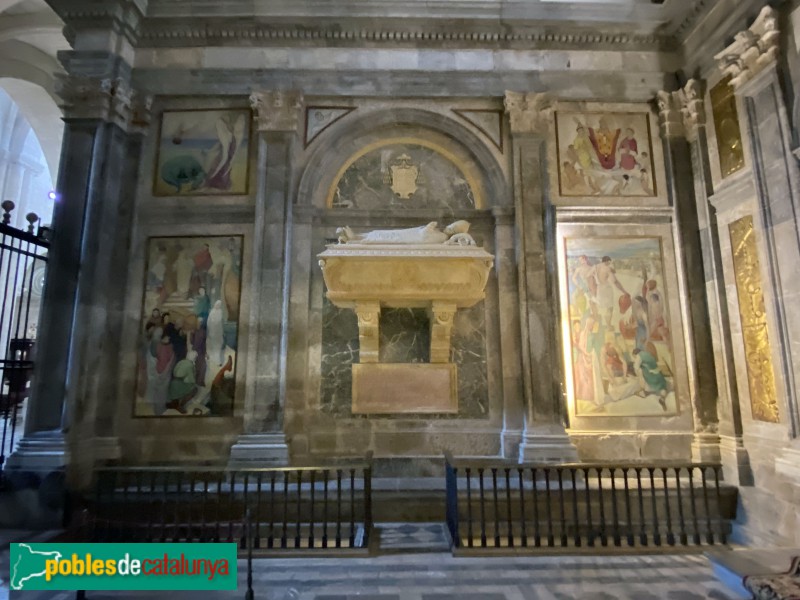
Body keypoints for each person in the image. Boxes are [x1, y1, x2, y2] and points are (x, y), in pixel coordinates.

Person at [592, 256, 628, 328]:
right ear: (607, 261)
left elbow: (590, 276)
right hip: (606, 289)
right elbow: (615, 282)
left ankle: (596, 319)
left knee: (597, 303)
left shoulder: (595, 267)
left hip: (599, 288)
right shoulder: (607, 268)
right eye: (609, 262)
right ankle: (608, 325)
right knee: (610, 308)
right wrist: (624, 291)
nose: (609, 263)